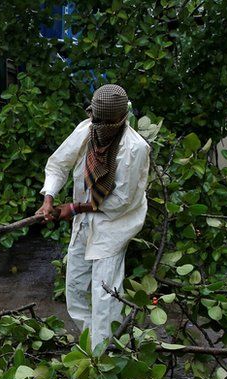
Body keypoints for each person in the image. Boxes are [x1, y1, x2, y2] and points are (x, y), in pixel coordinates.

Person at [36, 84, 150, 348]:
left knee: (105, 298)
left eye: (104, 123)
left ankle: (102, 361)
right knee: (74, 292)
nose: (98, 126)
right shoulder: (86, 131)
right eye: (94, 120)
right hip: (85, 222)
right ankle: (96, 347)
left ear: (120, 120)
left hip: (114, 227)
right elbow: (59, 164)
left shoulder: (135, 148)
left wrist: (73, 208)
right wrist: (49, 199)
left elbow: (121, 202)